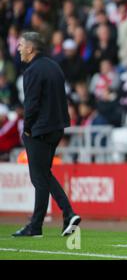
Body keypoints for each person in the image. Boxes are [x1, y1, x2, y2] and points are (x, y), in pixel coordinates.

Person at [12, 32, 81, 237]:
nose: (18, 49)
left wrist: (27, 127)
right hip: (56, 128)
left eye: (21, 45)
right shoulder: (54, 66)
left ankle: (65, 214)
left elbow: (31, 104)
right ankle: (41, 224)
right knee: (43, 175)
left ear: (31, 48)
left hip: (39, 130)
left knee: (39, 176)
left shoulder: (32, 70)